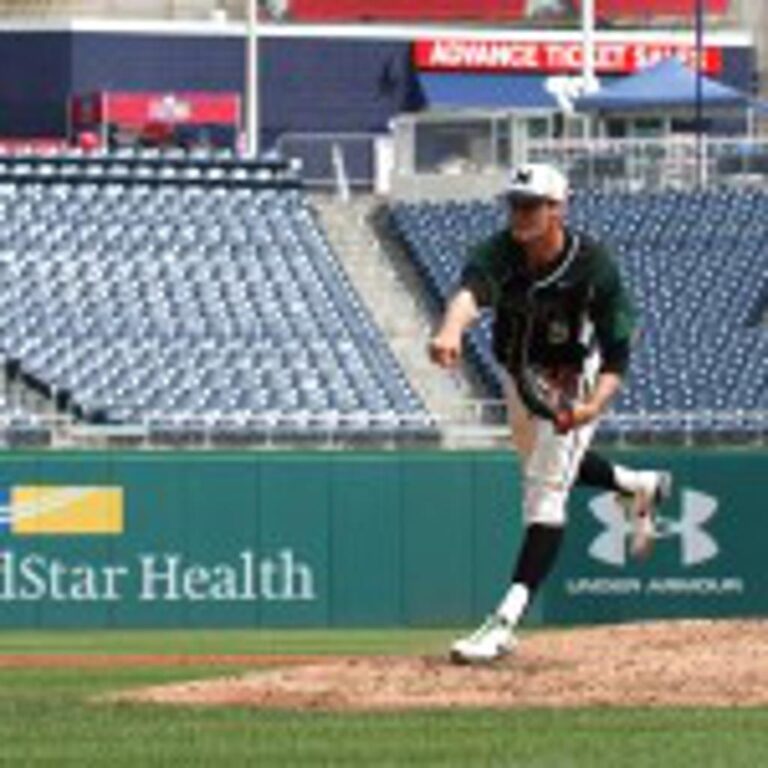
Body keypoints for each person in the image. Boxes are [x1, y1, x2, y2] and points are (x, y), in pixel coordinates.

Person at [428, 162, 671, 664]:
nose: (520, 214)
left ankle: (503, 623)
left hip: (572, 376)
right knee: (545, 469)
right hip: (519, 374)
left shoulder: (593, 265)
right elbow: (471, 292)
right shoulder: (499, 251)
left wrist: (590, 407)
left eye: (532, 205)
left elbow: (618, 350)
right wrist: (451, 328)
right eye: (515, 203)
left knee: (543, 496)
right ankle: (637, 485)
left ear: (558, 208)